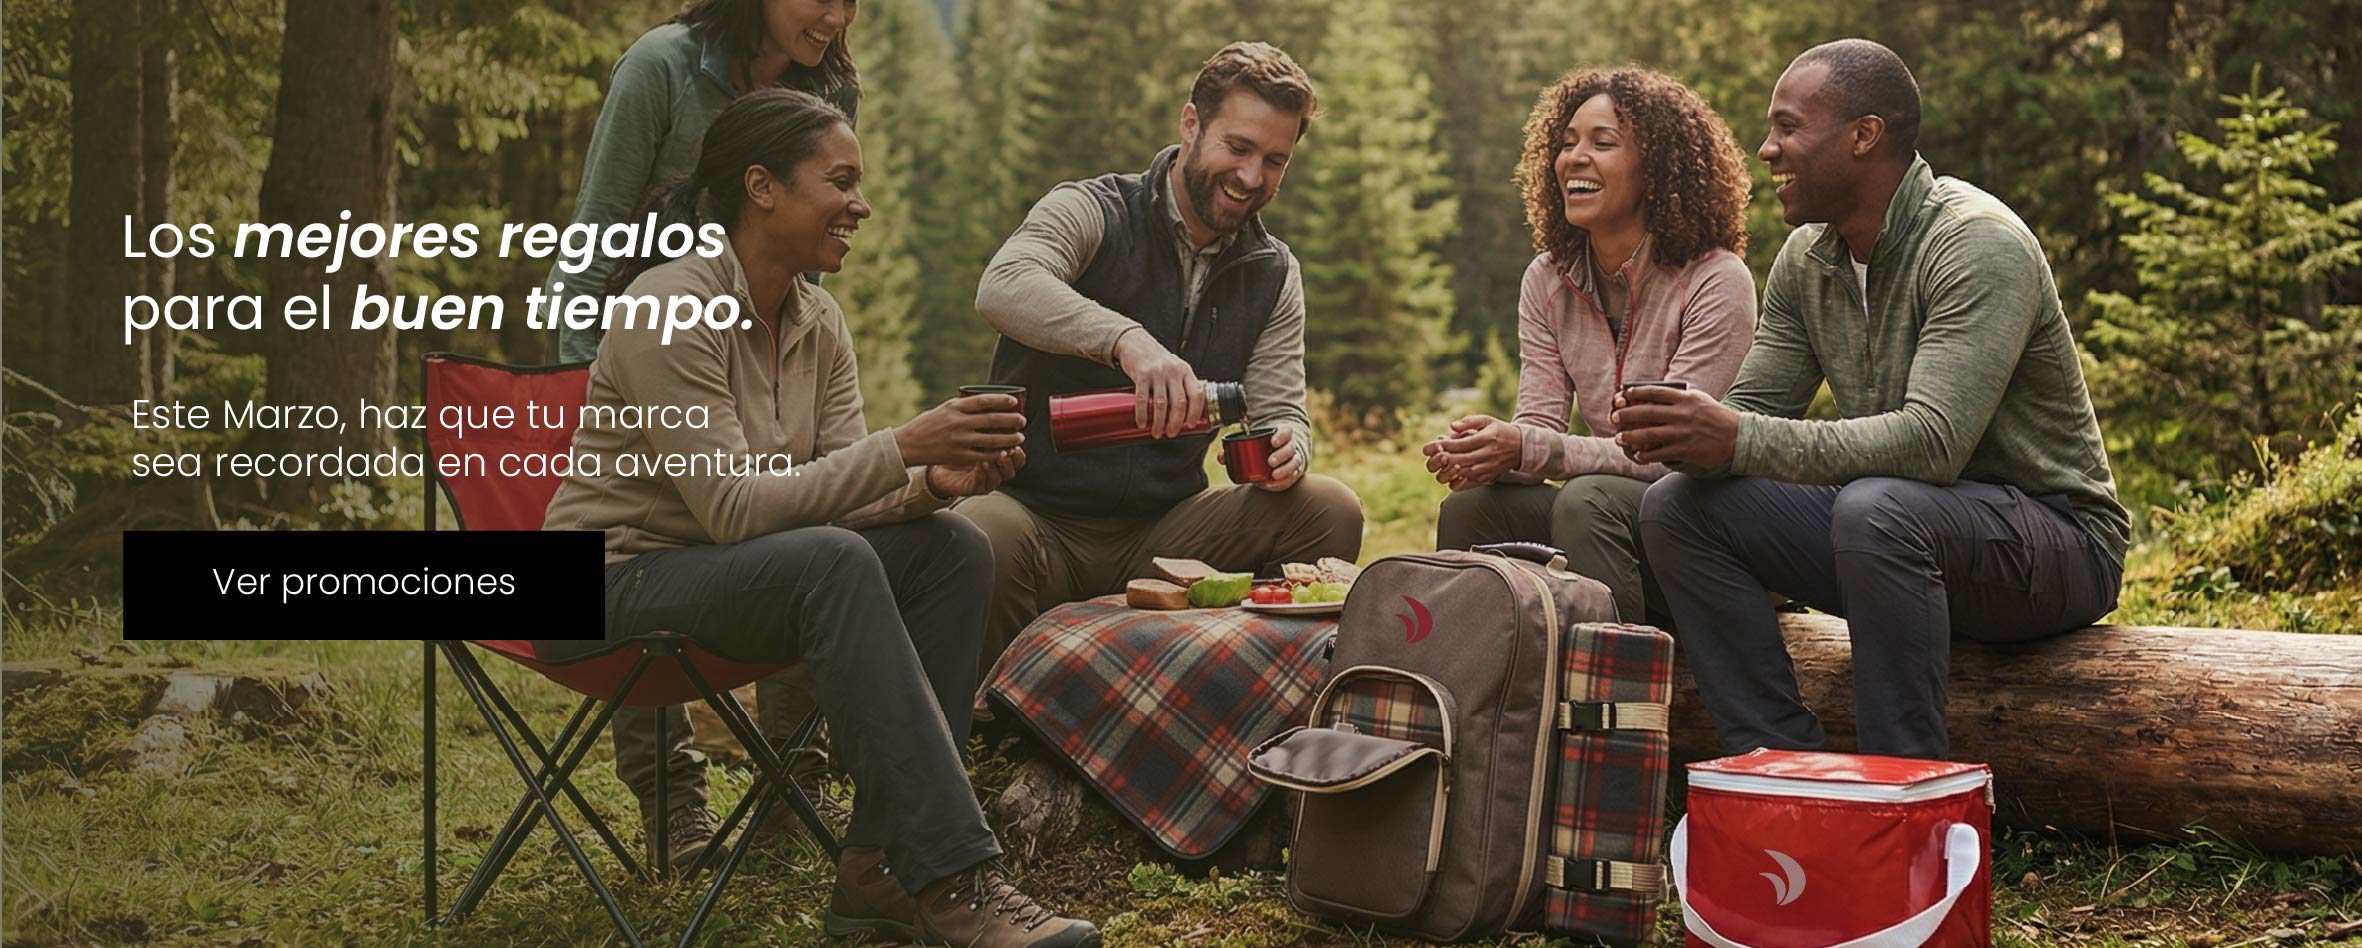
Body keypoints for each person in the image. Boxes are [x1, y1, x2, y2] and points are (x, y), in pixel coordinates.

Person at [541, 88, 1099, 947]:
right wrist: (903, 444)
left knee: (950, 548)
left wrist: (932, 482)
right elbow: (731, 507)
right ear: (761, 187)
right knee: (831, 561)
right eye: (840, 181)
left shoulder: (816, 319)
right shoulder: (669, 306)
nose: (860, 204)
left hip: (723, 578)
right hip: (600, 588)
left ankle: (876, 866)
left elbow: (844, 489)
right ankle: (952, 876)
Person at [1619, 39, 2128, 761]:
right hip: (1898, 535)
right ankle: (1783, 769)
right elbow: (1756, 413)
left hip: (2054, 542)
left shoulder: (1975, 243)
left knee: (1879, 507)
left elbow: (1932, 444)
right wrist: (1676, 431)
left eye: (1789, 127)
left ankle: (1903, 793)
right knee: (1678, 507)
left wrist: (1735, 439)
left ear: (1864, 136)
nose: (1767, 149)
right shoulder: (1808, 258)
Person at [541, 0, 863, 867]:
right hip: (648, 353)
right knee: (648, 537)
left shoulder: (825, 88)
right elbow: (598, 224)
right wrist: (589, 383)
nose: (835, 14)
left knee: (803, 514)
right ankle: (673, 805)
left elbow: (812, 233)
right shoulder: (662, 66)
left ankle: (795, 784)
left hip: (750, 351)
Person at [959, 42, 1364, 670]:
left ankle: (1265, 710)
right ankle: (984, 735)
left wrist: (1290, 444)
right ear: (1190, 124)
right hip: (1034, 517)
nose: (1252, 177)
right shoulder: (1094, 210)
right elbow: (1004, 284)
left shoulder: (1274, 271)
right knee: (977, 534)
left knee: (1327, 507)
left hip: (1167, 531)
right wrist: (1128, 341)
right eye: (1238, 147)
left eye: (1275, 160)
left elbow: (1284, 407)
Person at [1425, 66, 1756, 623]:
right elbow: (1539, 425)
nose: (1574, 157)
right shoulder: (1547, 280)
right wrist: (1489, 454)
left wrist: (1527, 448)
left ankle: (1615, 696)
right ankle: (1475, 683)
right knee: (1472, 508)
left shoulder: (1715, 280)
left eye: (1603, 143)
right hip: (1608, 517)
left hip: (1703, 524)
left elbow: (1671, 459)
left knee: (1588, 500)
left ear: (1656, 167)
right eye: (1567, 142)